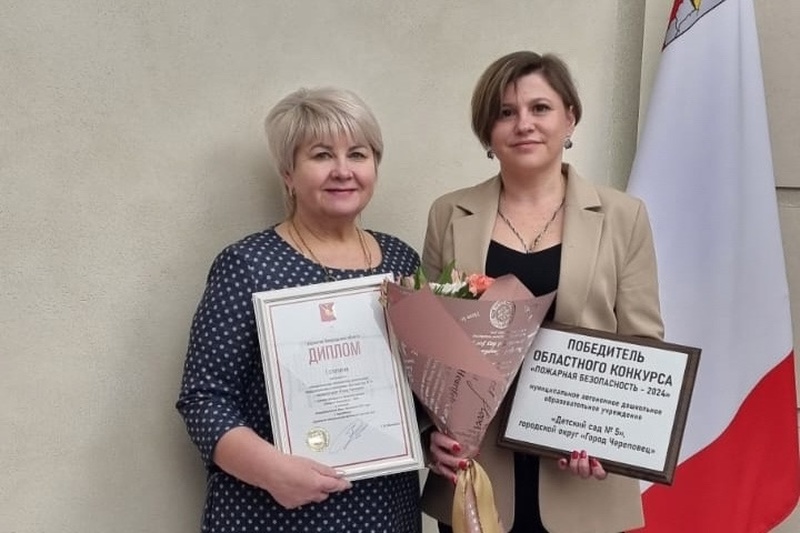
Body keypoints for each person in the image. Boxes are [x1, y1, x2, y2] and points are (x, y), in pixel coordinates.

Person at [420, 51, 664, 533]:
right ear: (487, 130)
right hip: (476, 472)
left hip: (580, 474)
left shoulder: (624, 216)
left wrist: (611, 438)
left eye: (540, 108)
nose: (524, 124)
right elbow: (428, 345)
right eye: (505, 112)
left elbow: (643, 343)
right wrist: (430, 434)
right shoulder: (449, 213)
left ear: (569, 118)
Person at [176, 87, 422, 533]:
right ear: (288, 173)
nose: (343, 171)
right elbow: (204, 398)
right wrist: (271, 471)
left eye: (358, 154)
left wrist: (436, 434)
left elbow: (421, 385)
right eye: (322, 155)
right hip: (273, 511)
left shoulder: (401, 262)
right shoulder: (248, 264)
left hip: (385, 510)